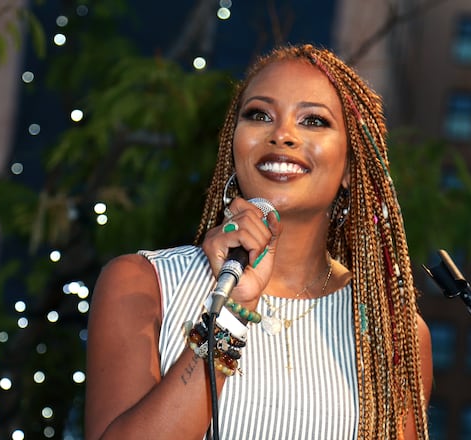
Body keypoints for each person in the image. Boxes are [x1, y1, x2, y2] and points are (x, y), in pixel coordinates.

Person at [84, 43, 433, 440]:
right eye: (259, 115)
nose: (282, 135)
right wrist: (232, 313)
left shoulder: (395, 334)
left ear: (352, 167)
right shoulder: (143, 283)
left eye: (314, 120)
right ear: (234, 146)